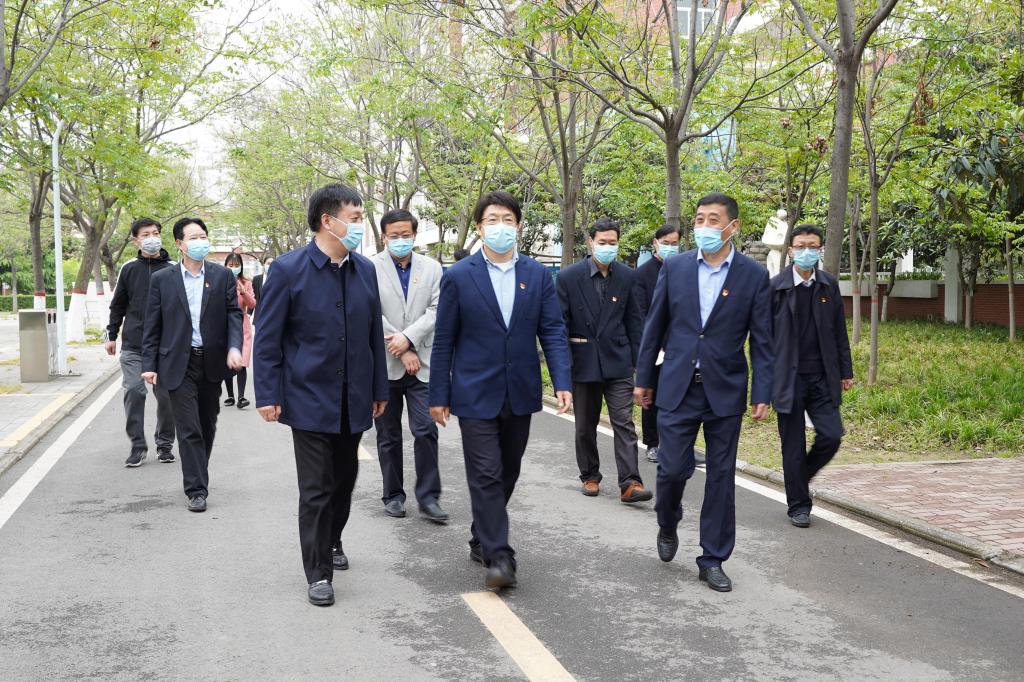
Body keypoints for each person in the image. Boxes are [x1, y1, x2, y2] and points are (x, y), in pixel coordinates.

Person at [429, 190, 572, 590]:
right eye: (492, 220)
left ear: (519, 226)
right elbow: (444, 340)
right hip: (474, 392)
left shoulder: (537, 275)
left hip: (520, 390)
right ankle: (500, 555)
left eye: (508, 219)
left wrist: (562, 381)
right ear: (480, 228)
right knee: (486, 474)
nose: (501, 227)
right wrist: (438, 394)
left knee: (508, 470)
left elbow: (552, 331)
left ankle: (482, 533)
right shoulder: (459, 276)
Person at [254, 183, 388, 607]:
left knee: (343, 481)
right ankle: (318, 573)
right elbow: (268, 338)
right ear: (327, 221)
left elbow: (373, 333)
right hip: (308, 396)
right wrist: (267, 393)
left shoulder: (364, 270)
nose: (360, 225)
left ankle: (332, 538)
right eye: (354, 217)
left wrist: (378, 387)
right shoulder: (288, 270)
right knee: (316, 488)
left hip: (354, 396)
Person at [634, 193, 773, 593]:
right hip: (677, 385)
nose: (705, 227)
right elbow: (655, 327)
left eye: (714, 219)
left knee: (721, 477)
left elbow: (763, 339)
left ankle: (712, 558)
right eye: (699, 219)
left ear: (733, 226)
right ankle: (668, 520)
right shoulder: (675, 267)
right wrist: (644, 378)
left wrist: (763, 391)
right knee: (672, 469)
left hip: (725, 390)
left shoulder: (752, 275)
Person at [141, 218, 243, 513]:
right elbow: (153, 325)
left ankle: (198, 469)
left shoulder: (222, 276)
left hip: (210, 362)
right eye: (194, 237)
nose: (201, 242)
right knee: (189, 429)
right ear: (180, 244)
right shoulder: (163, 279)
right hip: (177, 364)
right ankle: (196, 489)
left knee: (207, 425)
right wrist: (149, 364)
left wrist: (234, 347)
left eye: (204, 236)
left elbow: (233, 314)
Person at [556, 218, 650, 503]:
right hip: (583, 361)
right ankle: (590, 475)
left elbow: (636, 324)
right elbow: (559, 327)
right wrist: (562, 372)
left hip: (618, 362)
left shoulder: (628, 277)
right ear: (591, 243)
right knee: (585, 425)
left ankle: (630, 482)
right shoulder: (568, 277)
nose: (608, 247)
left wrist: (641, 369)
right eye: (602, 242)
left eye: (613, 243)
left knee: (624, 422)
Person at [770, 224, 854, 528]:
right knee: (792, 446)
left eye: (813, 247)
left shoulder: (828, 285)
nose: (807, 252)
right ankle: (798, 505)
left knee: (832, 435)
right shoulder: (775, 288)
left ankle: (798, 478)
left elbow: (839, 331)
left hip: (822, 376)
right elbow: (763, 340)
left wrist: (846, 370)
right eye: (801, 246)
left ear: (820, 250)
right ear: (791, 251)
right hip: (787, 378)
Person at [371, 209, 448, 522]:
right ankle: (393, 495)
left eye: (406, 235)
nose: (400, 240)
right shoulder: (369, 268)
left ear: (415, 235)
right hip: (385, 363)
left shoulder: (432, 268)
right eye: (394, 235)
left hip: (423, 363)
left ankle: (429, 497)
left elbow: (438, 310)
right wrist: (401, 349)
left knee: (426, 430)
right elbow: (370, 312)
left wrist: (409, 340)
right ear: (384, 237)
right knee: (388, 434)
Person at [104, 217, 177, 467]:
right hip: (134, 344)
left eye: (155, 233)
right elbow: (118, 305)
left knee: (167, 397)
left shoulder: (174, 268)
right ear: (136, 240)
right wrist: (111, 335)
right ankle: (137, 446)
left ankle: (164, 444)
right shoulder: (129, 268)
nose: (152, 238)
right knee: (134, 392)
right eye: (146, 235)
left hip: (166, 346)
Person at [634, 224, 707, 466]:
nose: (670, 247)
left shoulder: (687, 270)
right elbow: (642, 315)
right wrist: (652, 346)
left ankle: (683, 446)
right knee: (651, 395)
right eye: (666, 243)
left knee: (683, 398)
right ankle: (653, 443)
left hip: (681, 347)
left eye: (674, 243)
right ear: (655, 244)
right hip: (655, 347)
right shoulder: (642, 274)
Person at [222, 252, 256, 409]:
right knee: (228, 361)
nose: (234, 268)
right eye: (230, 265)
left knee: (242, 362)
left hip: (243, 327)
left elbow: (252, 304)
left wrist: (243, 291)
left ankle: (241, 397)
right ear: (225, 266)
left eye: (237, 265)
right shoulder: (220, 281)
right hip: (224, 324)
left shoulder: (246, 283)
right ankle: (230, 395)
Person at [251, 255, 273, 326]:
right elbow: (253, 296)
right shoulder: (257, 279)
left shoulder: (279, 279)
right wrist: (249, 313)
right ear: (264, 265)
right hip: (259, 316)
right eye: (268, 263)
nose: (270, 266)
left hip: (273, 317)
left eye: (272, 264)